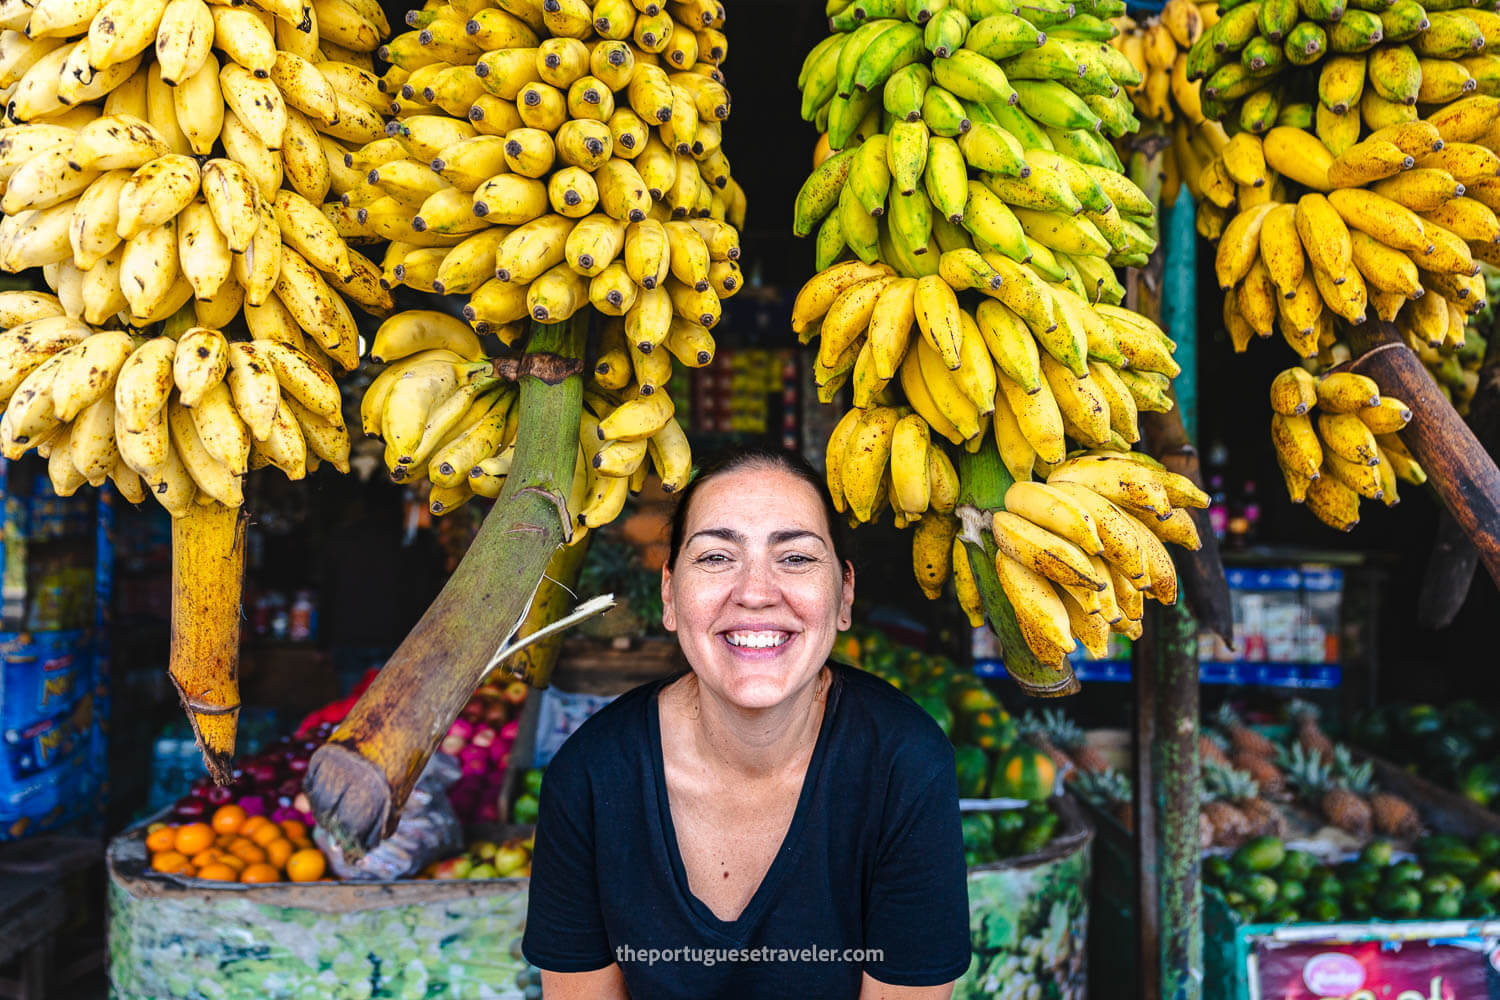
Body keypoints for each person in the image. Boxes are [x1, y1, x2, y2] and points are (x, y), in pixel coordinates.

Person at [522, 447, 971, 999]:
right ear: (669, 594)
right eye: (715, 558)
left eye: (797, 558)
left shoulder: (905, 767)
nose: (756, 592)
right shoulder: (590, 776)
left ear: (844, 595)